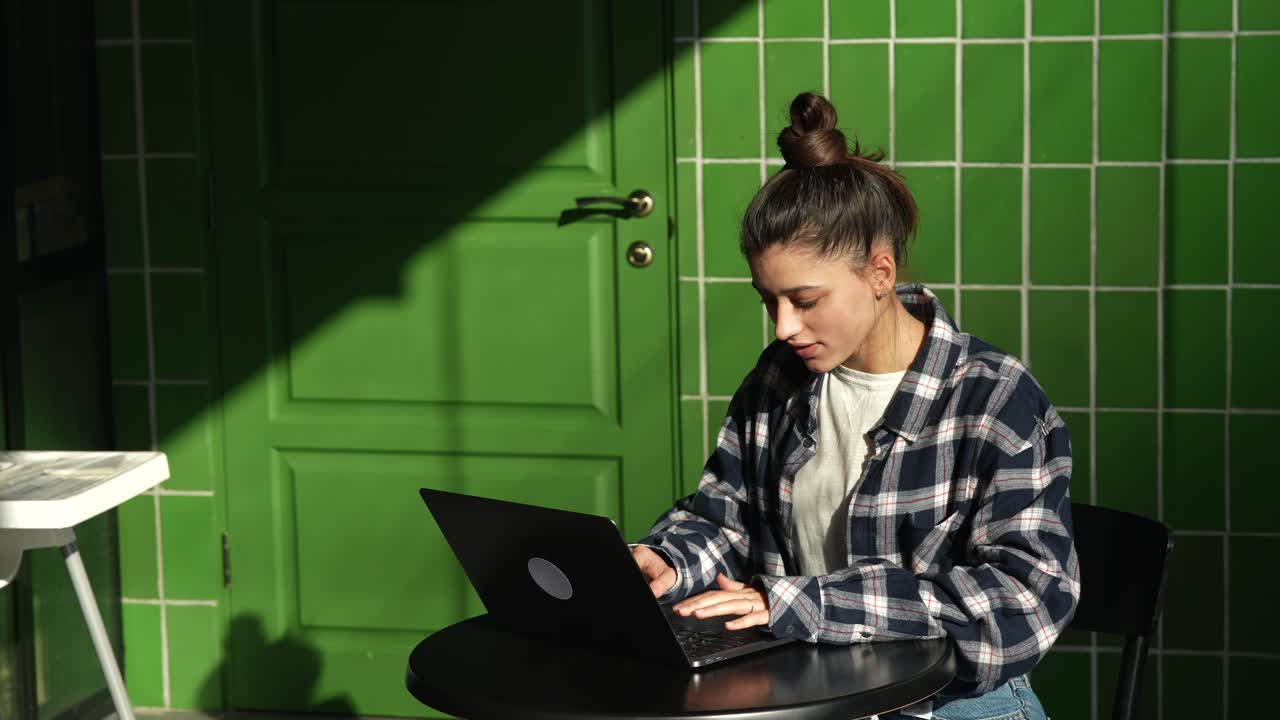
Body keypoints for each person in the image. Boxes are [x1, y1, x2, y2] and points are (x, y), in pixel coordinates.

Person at [632, 92, 1079, 720]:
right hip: (810, 695)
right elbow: (727, 518)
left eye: (805, 299)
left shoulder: (995, 399)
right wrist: (668, 560)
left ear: (881, 273)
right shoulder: (778, 381)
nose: (783, 326)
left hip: (948, 706)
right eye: (770, 300)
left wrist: (808, 604)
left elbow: (1024, 602)